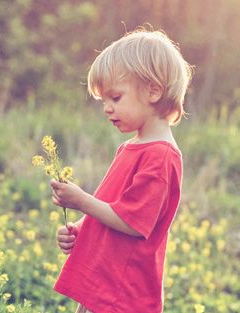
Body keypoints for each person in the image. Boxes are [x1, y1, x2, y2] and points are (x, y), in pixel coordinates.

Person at [50, 27, 193, 313]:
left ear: (153, 91)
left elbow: (133, 223)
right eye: (103, 101)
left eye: (115, 98)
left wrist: (81, 202)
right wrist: (81, 229)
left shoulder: (161, 156)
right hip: (106, 281)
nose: (106, 108)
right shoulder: (132, 147)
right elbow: (114, 206)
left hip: (125, 293)